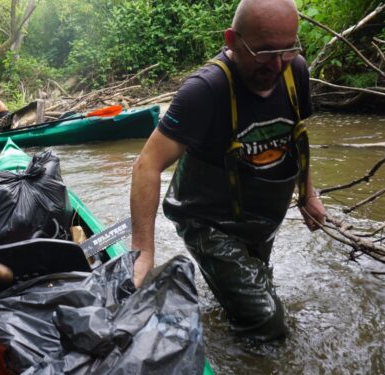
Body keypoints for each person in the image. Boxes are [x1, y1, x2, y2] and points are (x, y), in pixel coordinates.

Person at [130, 0, 326, 341]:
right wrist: (143, 252)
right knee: (267, 321)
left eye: (288, 49)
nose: (277, 65)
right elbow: (147, 164)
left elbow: (297, 139)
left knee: (256, 289)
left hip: (260, 218)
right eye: (265, 51)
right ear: (232, 41)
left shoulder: (296, 72)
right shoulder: (205, 90)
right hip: (207, 219)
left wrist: (307, 193)